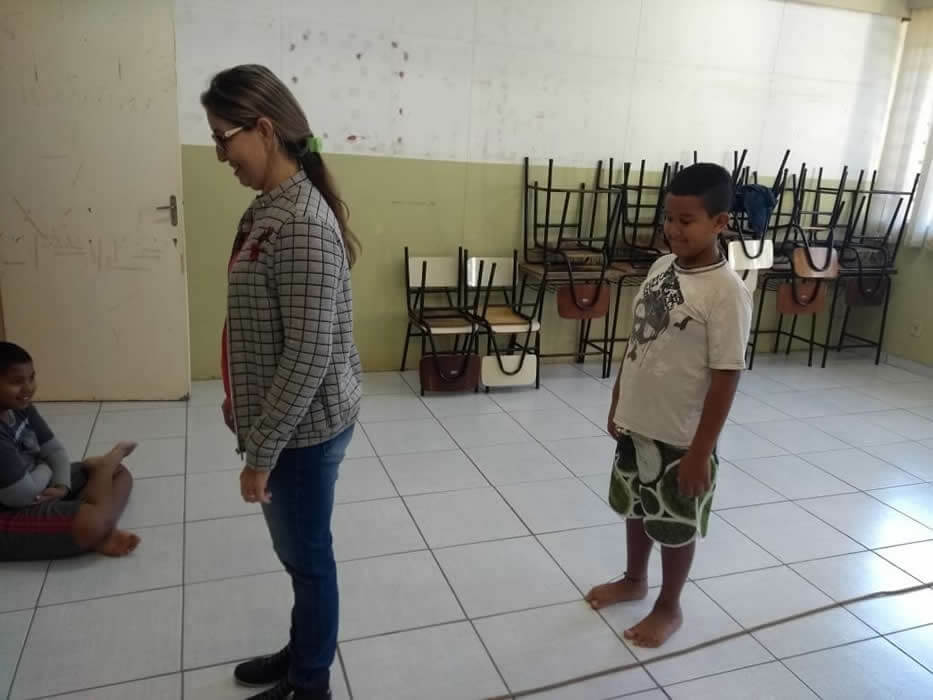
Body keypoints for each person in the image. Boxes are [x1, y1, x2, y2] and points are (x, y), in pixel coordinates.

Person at [201, 65, 362, 700]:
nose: (221, 155)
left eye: (224, 138)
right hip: (283, 419)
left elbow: (309, 354)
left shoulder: (300, 224)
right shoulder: (269, 209)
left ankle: (311, 683)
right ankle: (303, 654)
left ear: (264, 130)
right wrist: (238, 396)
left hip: (303, 431)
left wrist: (261, 453)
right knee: (300, 557)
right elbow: (258, 324)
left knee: (308, 559)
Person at [585, 163, 752, 647]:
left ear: (719, 222)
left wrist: (700, 452)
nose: (674, 229)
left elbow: (726, 377)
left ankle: (669, 606)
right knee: (638, 507)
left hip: (682, 436)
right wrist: (619, 398)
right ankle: (634, 580)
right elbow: (638, 340)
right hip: (639, 422)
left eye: (686, 220)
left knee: (675, 523)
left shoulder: (727, 293)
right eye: (669, 218)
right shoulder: (662, 267)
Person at [0, 342, 139, 561]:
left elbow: (54, 450)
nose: (28, 388)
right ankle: (100, 529)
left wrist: (62, 485)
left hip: (35, 487)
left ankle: (101, 527)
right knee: (92, 522)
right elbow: (22, 495)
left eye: (31, 378)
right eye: (17, 382)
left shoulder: (20, 408)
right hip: (11, 508)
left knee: (119, 473)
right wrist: (47, 468)